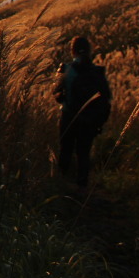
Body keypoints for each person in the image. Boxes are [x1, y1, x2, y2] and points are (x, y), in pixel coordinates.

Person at [53, 36, 112, 189]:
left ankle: (62, 186)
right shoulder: (97, 72)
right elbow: (106, 98)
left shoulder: (66, 69)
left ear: (72, 50)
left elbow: (56, 94)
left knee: (66, 150)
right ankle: (82, 187)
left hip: (69, 116)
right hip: (89, 119)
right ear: (90, 50)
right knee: (83, 153)